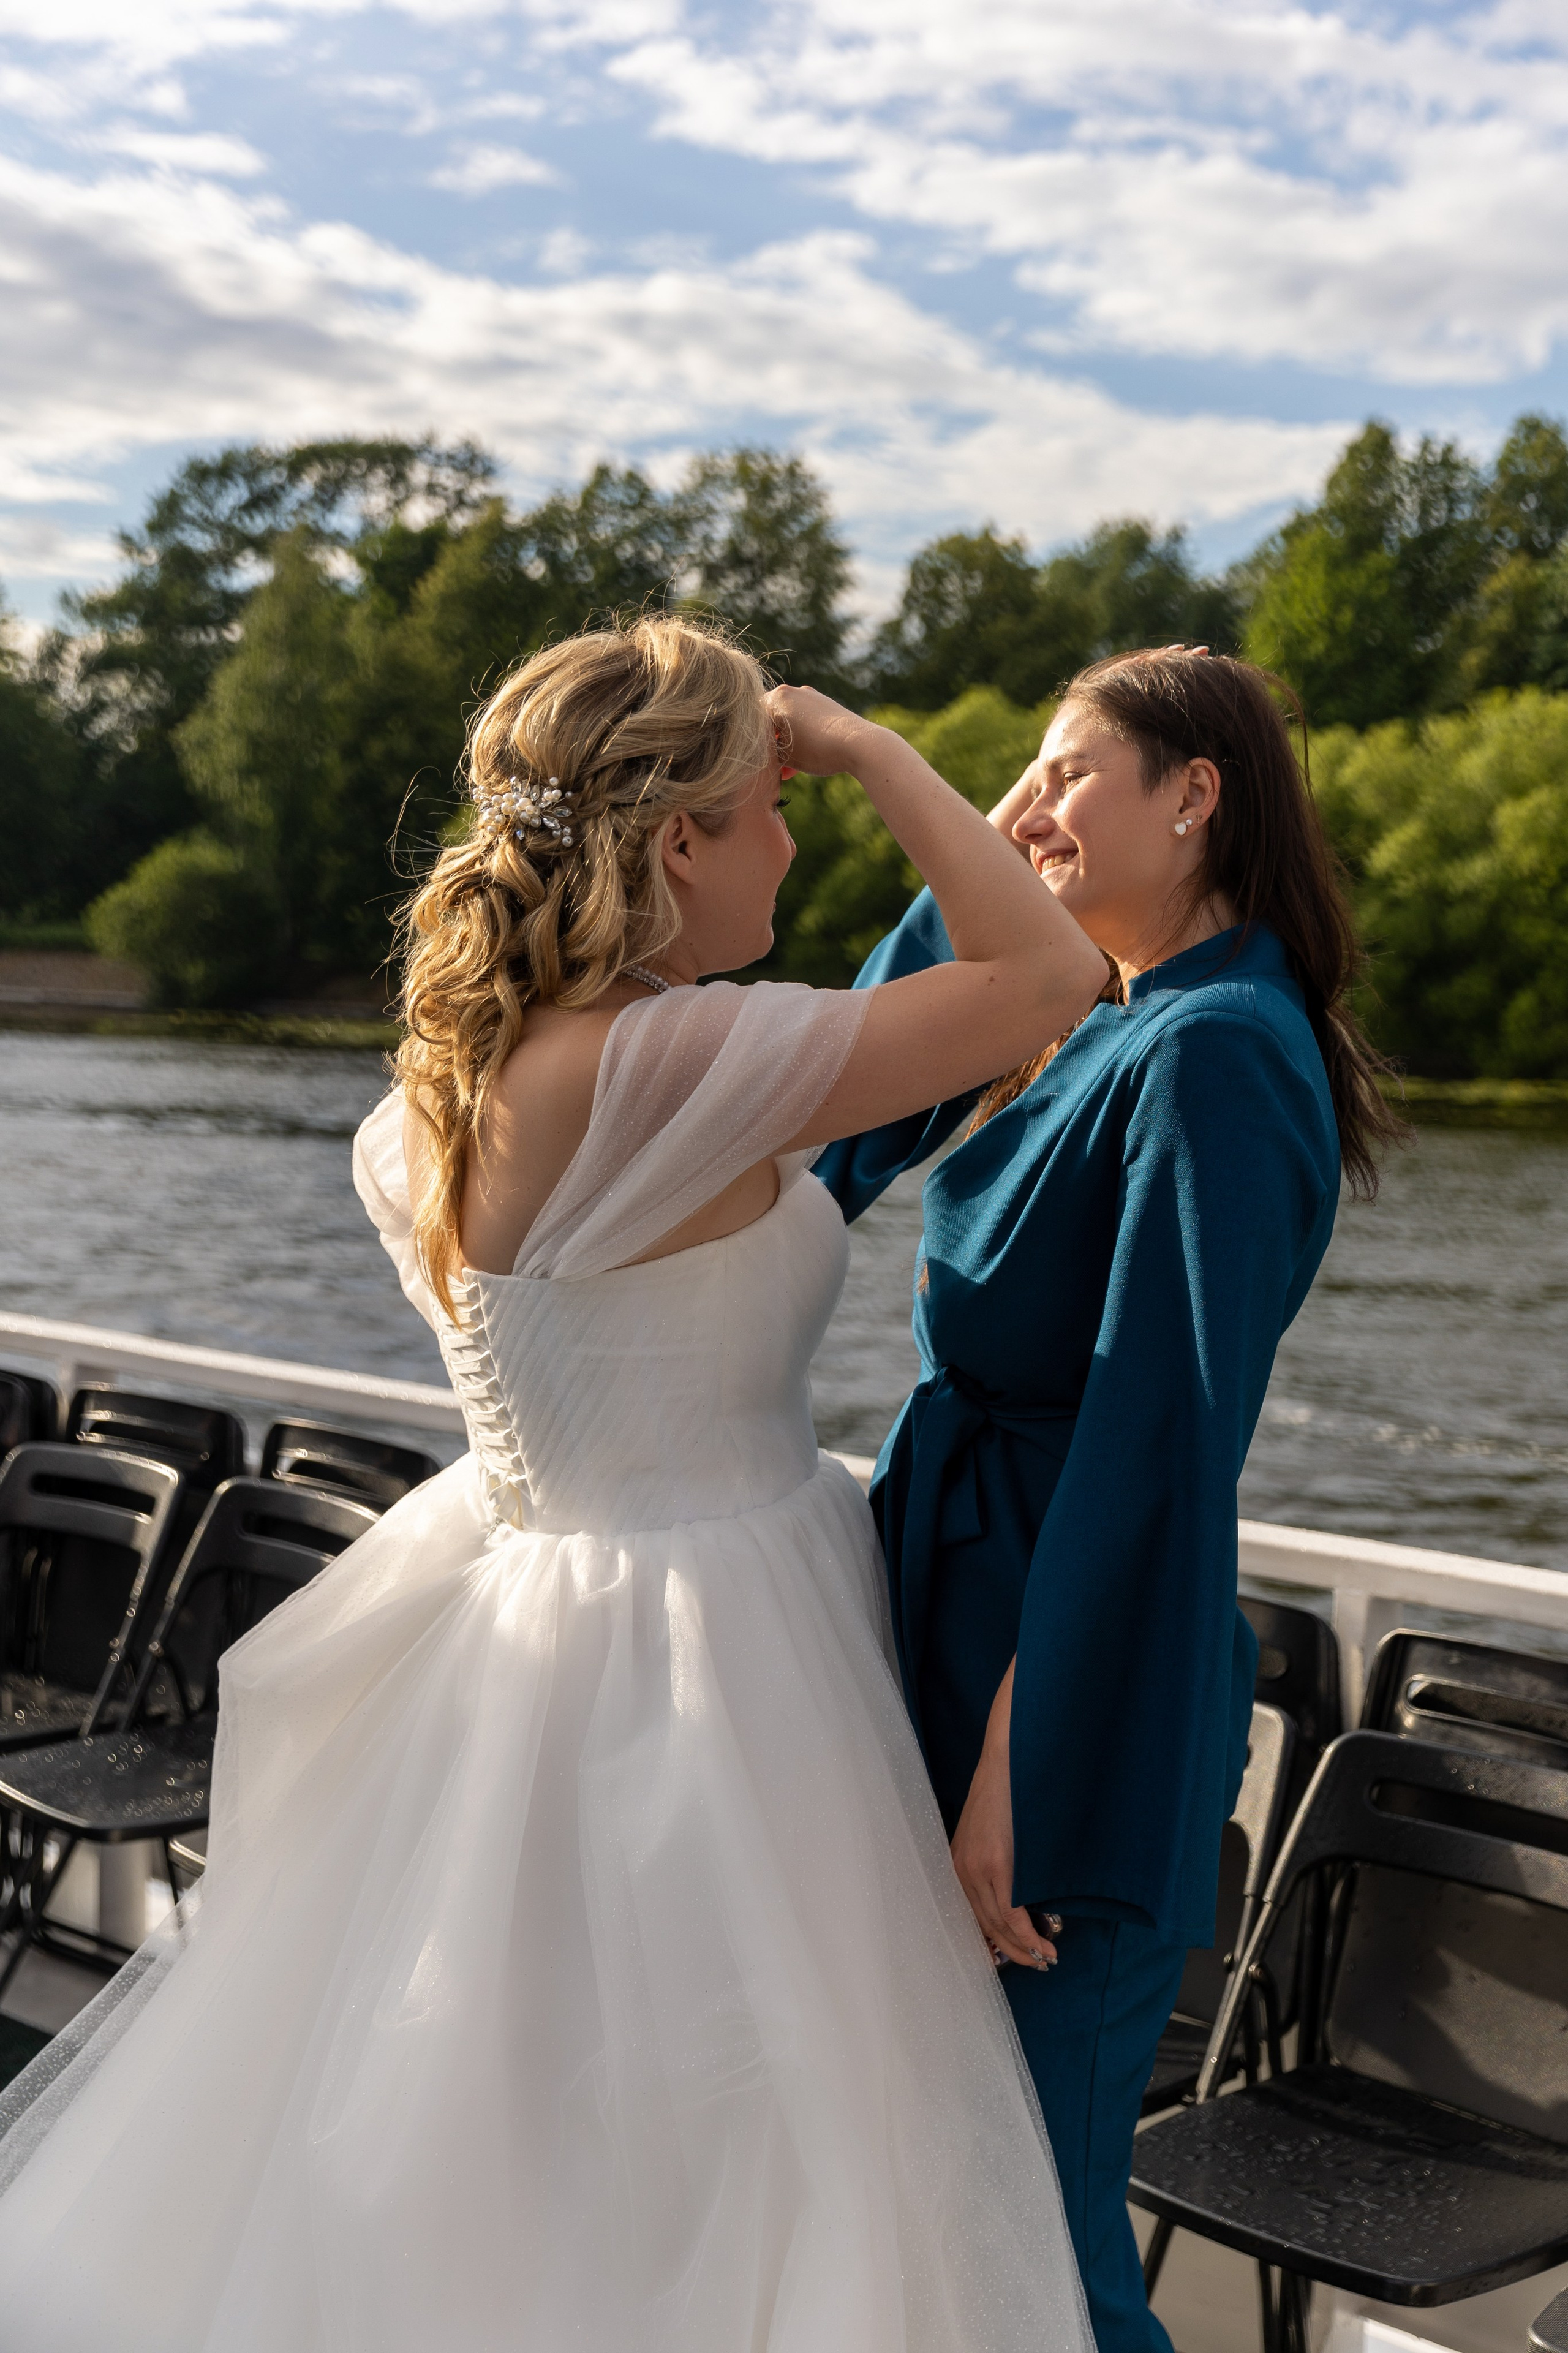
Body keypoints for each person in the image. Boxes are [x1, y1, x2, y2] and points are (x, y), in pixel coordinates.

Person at [0, 614, 1110, 2352]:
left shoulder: (435, 1093)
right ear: (677, 842)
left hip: (520, 1622)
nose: (794, 838)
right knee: (739, 2148)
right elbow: (1049, 982)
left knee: (523, 2139)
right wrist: (886, 753)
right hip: (721, 1656)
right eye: (768, 806)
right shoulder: (675, 1063)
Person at [815, 648, 1404, 2353]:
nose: (1035, 807)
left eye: (1070, 772)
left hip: (1067, 1683)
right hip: (958, 1608)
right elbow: (842, 1116)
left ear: (1194, 793)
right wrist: (981, 859)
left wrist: (1025, 1755)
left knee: (1037, 2234)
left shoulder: (1220, 1052)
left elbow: (1159, 1437)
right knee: (932, 2190)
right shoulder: (1105, 1011)